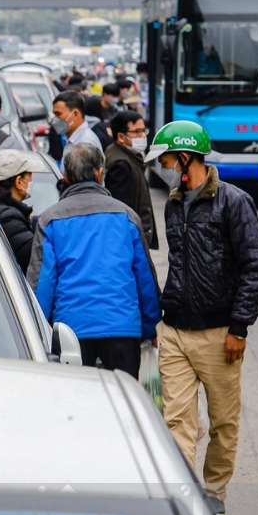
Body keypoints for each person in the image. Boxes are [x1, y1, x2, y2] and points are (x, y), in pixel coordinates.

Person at [143, 121, 258, 515]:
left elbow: (253, 267)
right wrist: (164, 319)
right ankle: (184, 495)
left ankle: (214, 490)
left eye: (163, 159)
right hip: (176, 329)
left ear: (183, 157)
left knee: (222, 421)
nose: (159, 167)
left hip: (220, 335)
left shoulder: (234, 203)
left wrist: (239, 328)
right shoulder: (173, 203)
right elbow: (178, 265)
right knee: (176, 419)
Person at [27, 143, 160, 378]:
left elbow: (43, 283)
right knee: (122, 405)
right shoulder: (126, 216)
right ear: (100, 173)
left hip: (71, 334)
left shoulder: (50, 219)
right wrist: (149, 327)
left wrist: (38, 333)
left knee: (79, 406)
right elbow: (144, 278)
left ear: (66, 176)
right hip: (122, 329)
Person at [105, 111, 157, 249]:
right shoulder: (120, 165)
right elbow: (122, 210)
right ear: (121, 137)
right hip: (130, 241)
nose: (143, 136)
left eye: (144, 130)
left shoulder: (126, 154)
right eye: (137, 132)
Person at [52, 91, 102, 156]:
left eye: (58, 114)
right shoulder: (71, 139)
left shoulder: (85, 144)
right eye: (55, 115)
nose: (55, 119)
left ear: (75, 114)